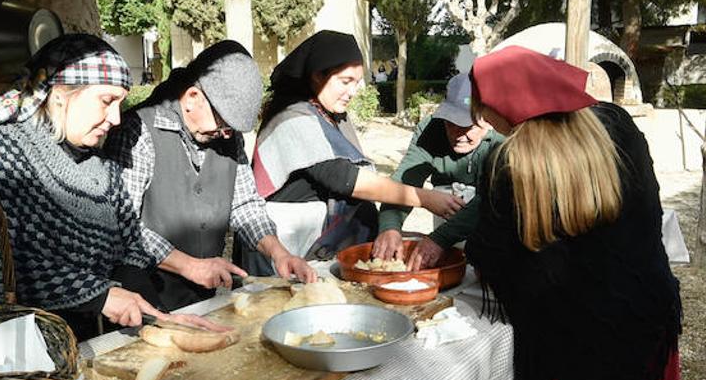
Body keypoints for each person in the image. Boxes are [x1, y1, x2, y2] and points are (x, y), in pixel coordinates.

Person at [465, 46, 689, 380]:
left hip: (569, 362)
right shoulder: (617, 127)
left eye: (488, 113)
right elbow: (648, 213)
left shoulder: (509, 164)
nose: (488, 124)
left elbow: (494, 257)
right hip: (646, 329)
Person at [0, 34, 215, 353]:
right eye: (106, 101)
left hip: (68, 348)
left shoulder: (103, 171)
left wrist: (161, 320)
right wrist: (99, 295)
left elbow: (131, 251)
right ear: (60, 94)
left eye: (120, 103)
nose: (115, 119)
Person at [105, 41, 316, 311]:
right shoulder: (138, 132)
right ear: (193, 96)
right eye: (223, 124)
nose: (226, 135)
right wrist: (190, 266)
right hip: (141, 298)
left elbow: (245, 204)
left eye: (231, 129)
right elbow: (123, 228)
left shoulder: (226, 134)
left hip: (200, 299)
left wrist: (279, 253)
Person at [238, 30, 464, 273]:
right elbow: (349, 180)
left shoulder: (332, 116)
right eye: (345, 81)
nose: (352, 91)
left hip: (319, 243)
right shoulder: (293, 119)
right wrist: (425, 198)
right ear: (317, 76)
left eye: (356, 82)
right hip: (286, 246)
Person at [372, 72, 504, 270]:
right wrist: (390, 227)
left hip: (495, 233)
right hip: (446, 230)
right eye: (450, 123)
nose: (458, 134)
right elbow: (404, 182)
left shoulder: (503, 139)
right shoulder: (430, 130)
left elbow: (491, 199)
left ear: (486, 119)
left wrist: (440, 239)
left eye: (467, 126)